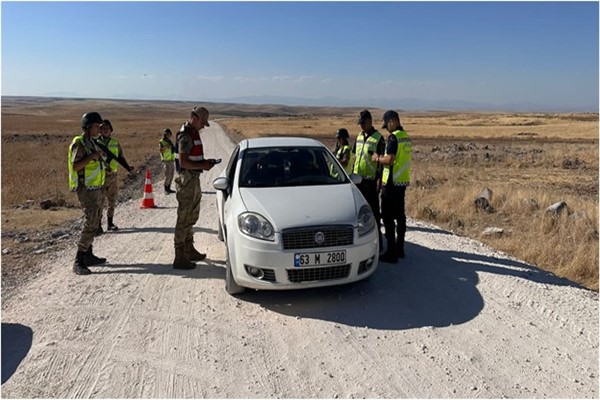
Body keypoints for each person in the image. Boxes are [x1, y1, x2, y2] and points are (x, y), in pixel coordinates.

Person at [173, 106, 218, 269]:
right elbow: (183, 162)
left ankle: (189, 248)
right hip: (186, 180)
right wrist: (202, 165)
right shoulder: (185, 136)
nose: (202, 126)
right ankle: (179, 256)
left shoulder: (192, 133)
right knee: (184, 217)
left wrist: (203, 164)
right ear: (194, 118)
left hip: (193, 178)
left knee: (191, 215)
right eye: (202, 123)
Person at [67, 112, 109, 275]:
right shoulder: (80, 143)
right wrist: (92, 156)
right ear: (88, 127)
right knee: (91, 220)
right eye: (96, 126)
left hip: (95, 188)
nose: (99, 129)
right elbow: (76, 166)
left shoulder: (92, 142)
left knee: (96, 219)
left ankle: (89, 254)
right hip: (85, 188)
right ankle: (79, 259)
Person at [372, 110, 411, 263]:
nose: (386, 129)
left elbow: (390, 159)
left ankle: (391, 252)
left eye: (387, 125)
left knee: (388, 217)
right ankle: (400, 248)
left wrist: (377, 158)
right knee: (400, 216)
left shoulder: (394, 138)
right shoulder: (406, 137)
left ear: (392, 122)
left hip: (391, 184)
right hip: (401, 182)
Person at [352, 110, 385, 250]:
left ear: (370, 121)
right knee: (356, 214)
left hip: (371, 182)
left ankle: (378, 245)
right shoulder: (359, 136)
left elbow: (382, 162)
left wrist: (379, 181)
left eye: (363, 123)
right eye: (360, 123)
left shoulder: (378, 138)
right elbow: (355, 157)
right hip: (357, 180)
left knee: (374, 214)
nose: (361, 126)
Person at [97, 119, 134, 233]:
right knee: (99, 202)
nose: (105, 130)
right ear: (100, 130)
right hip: (100, 176)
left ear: (111, 130)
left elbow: (120, 157)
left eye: (107, 128)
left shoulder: (115, 143)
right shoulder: (96, 142)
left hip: (112, 175)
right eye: (103, 128)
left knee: (112, 200)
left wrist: (128, 167)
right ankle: (98, 225)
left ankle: (110, 223)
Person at [160, 128, 177, 195]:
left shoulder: (170, 141)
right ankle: (165, 189)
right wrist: (165, 147)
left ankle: (169, 187)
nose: (168, 135)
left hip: (171, 160)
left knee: (171, 175)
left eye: (169, 134)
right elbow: (161, 150)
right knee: (167, 175)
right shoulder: (161, 142)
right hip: (166, 160)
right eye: (167, 134)